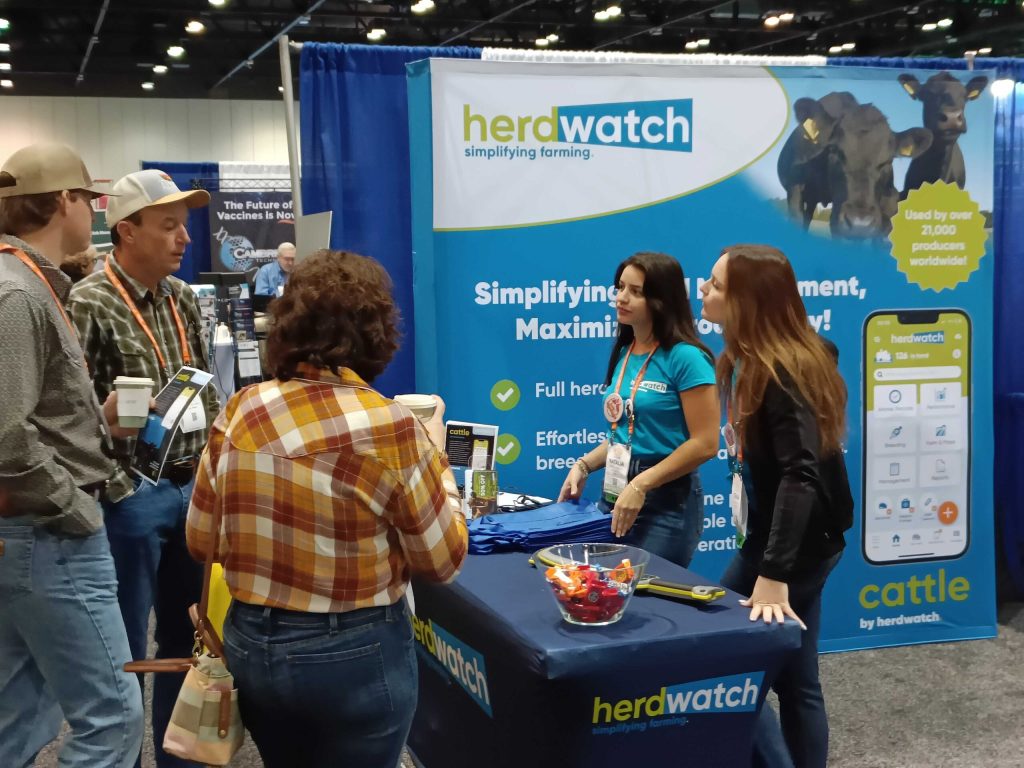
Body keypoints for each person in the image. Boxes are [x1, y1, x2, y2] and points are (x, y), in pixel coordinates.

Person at [186, 248, 468, 768]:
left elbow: (202, 541)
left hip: (252, 642)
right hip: (355, 652)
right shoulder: (393, 428)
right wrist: (436, 455)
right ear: (377, 331)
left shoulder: (241, 410)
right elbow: (442, 561)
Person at [67, 169, 219, 768]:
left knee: (191, 641)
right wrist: (119, 489)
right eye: (168, 226)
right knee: (125, 648)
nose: (183, 239)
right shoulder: (89, 302)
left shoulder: (183, 298)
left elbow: (202, 391)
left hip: (193, 488)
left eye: (184, 226)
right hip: (130, 495)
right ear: (125, 232)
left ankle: (179, 757)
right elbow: (71, 414)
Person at [0, 142, 144, 767]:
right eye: (90, 198)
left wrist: (91, 423)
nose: (95, 210)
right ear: (65, 201)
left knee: (21, 707)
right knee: (112, 717)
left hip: (28, 533)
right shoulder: (21, 294)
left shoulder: (28, 285)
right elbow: (6, 434)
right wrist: (72, 507)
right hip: (48, 533)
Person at [700, 244, 853, 768]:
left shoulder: (783, 373)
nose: (704, 289)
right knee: (797, 677)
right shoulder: (761, 356)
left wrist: (774, 573)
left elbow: (801, 473)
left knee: (726, 665)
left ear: (748, 301)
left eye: (716, 285)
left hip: (793, 549)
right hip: (791, 541)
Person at [558, 251, 719, 568]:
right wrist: (584, 465)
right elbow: (626, 434)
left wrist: (642, 483)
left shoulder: (686, 357)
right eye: (619, 288)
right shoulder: (626, 351)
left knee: (647, 600)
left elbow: (706, 443)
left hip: (666, 501)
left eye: (636, 292)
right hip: (617, 493)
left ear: (661, 299)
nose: (621, 298)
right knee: (605, 593)